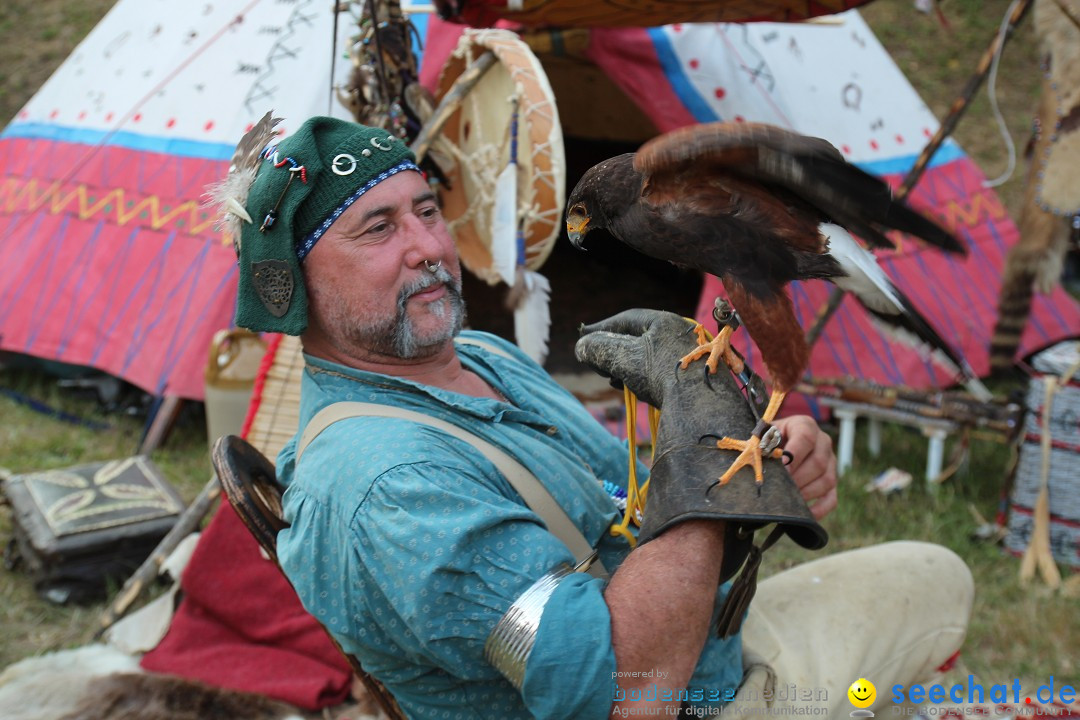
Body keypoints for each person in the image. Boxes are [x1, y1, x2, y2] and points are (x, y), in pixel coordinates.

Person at [221, 115, 974, 719]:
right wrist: (708, 460)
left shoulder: (480, 356)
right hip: (671, 694)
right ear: (295, 286)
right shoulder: (386, 485)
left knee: (936, 574)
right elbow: (628, 689)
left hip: (709, 645)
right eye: (377, 230)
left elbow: (623, 509)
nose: (427, 247)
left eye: (426, 210)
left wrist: (757, 454)